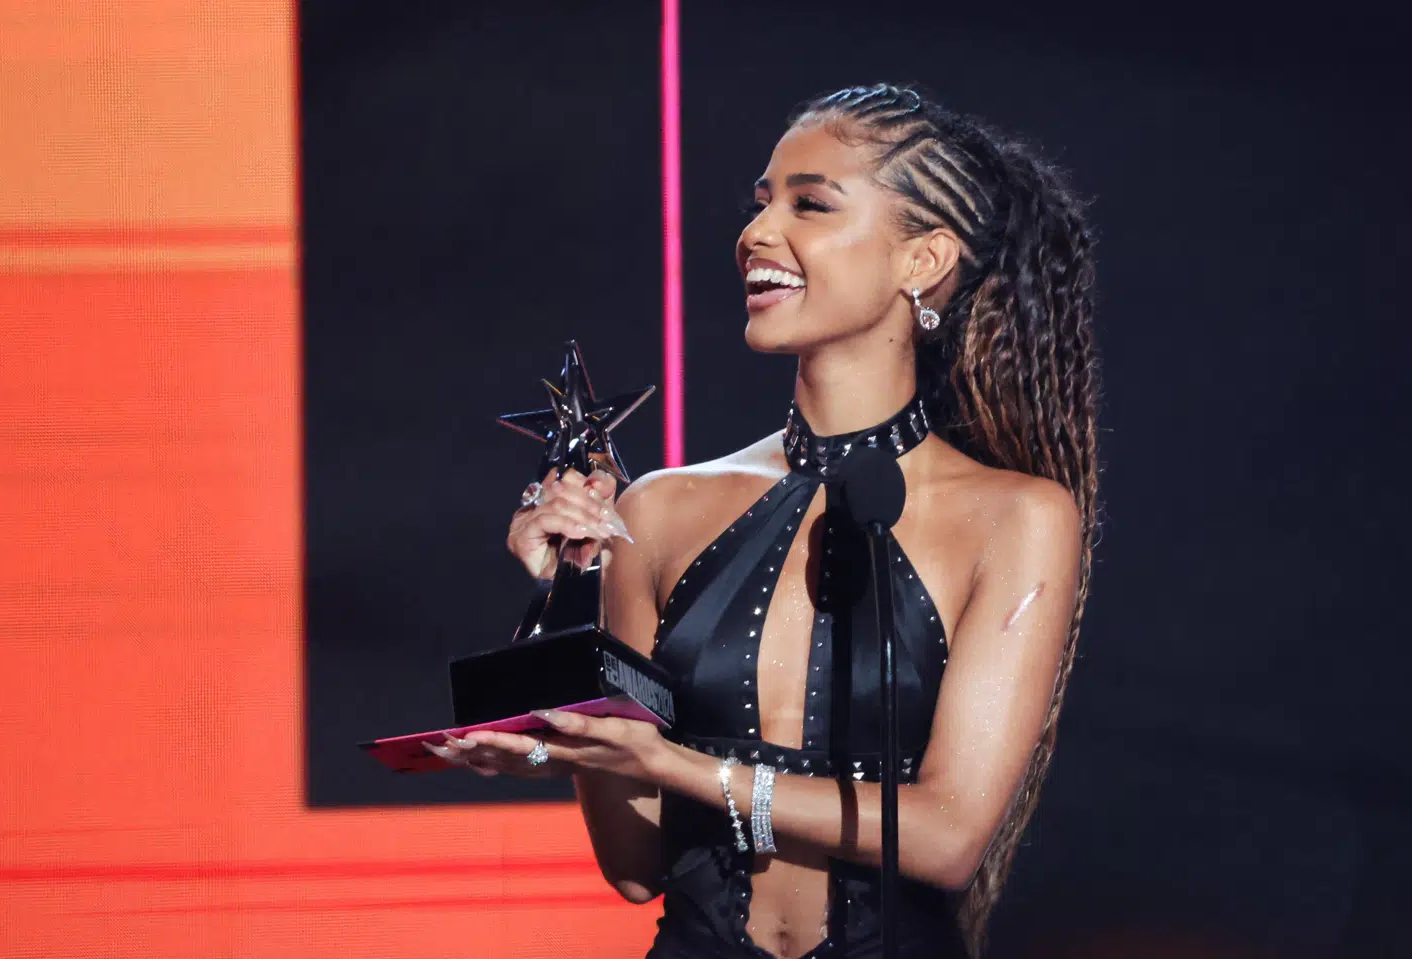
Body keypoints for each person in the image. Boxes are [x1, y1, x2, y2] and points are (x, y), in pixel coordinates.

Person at [427, 83, 1100, 958]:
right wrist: (576, 591)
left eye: (810, 204)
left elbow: (945, 836)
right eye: (760, 203)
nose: (757, 233)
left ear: (923, 260)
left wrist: (683, 766)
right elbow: (633, 868)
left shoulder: (1016, 519)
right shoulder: (656, 511)